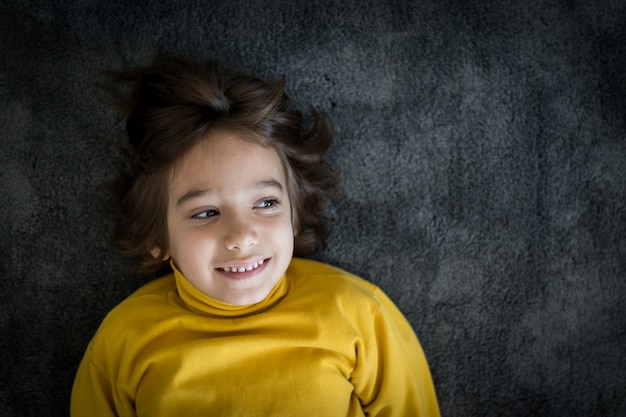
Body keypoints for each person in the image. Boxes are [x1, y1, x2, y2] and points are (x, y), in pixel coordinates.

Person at [70, 53, 440, 417]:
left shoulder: (358, 311)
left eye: (265, 204)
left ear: (294, 214)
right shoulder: (123, 339)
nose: (242, 236)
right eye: (206, 213)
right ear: (158, 238)